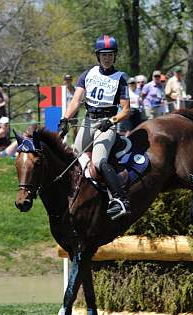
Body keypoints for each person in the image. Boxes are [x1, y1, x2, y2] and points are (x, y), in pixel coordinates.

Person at [58, 34, 131, 220]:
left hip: (107, 123)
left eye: (111, 54)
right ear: (98, 56)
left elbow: (126, 110)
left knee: (99, 161)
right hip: (89, 120)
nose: (107, 58)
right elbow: (76, 100)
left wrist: (112, 121)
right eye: (104, 54)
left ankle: (120, 199)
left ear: (115, 56)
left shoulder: (120, 78)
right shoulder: (88, 74)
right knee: (74, 155)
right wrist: (65, 119)